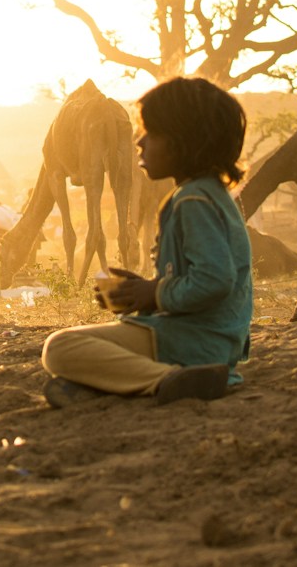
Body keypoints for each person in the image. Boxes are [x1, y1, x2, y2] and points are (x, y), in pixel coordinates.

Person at [39, 76, 252, 407]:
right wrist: (146, 291)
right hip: (205, 338)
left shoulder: (193, 202)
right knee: (70, 375)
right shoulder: (204, 195)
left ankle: (164, 379)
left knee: (59, 348)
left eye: (150, 134)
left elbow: (214, 280)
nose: (138, 143)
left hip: (195, 341)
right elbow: (200, 277)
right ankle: (130, 382)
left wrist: (155, 293)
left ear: (183, 143)